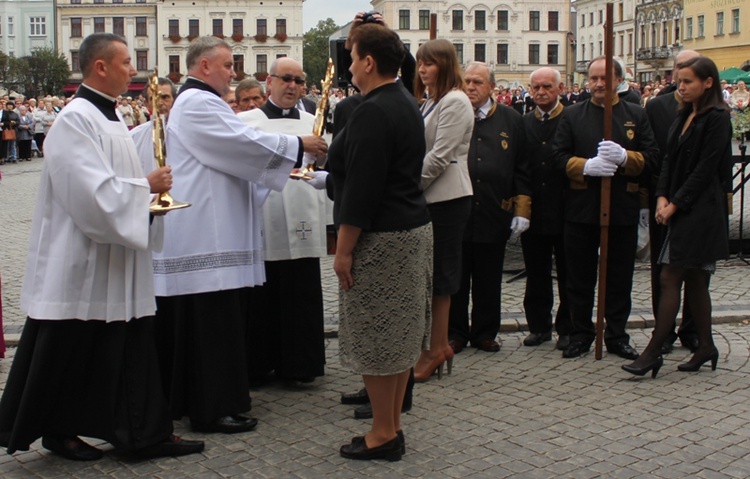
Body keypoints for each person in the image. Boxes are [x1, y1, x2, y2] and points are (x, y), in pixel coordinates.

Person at [0, 32, 204, 461]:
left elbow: (111, 184)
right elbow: (88, 191)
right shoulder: (76, 118)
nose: (133, 69)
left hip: (116, 257)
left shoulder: (110, 118)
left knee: (125, 343)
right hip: (83, 258)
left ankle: (142, 431)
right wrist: (143, 188)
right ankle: (60, 429)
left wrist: (148, 202)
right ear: (101, 67)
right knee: (72, 348)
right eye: (127, 61)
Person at [151, 36, 327, 434]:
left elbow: (238, 153)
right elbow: (241, 144)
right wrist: (298, 145)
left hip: (211, 227)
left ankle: (202, 400)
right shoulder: (198, 102)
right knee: (213, 327)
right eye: (228, 65)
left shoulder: (200, 101)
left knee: (211, 325)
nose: (234, 72)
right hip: (208, 234)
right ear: (205, 67)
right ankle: (212, 408)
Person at [322, 22, 431, 462]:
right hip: (407, 230)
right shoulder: (403, 99)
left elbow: (363, 191)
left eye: (351, 56)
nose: (349, 65)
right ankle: (390, 425)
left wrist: (343, 250)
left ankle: (384, 433)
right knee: (397, 335)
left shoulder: (373, 109)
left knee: (379, 337)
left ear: (369, 62)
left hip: (381, 239)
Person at [622, 56, 732, 378]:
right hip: (677, 203)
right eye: (678, 81)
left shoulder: (717, 118)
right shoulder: (686, 113)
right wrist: (661, 196)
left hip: (700, 209)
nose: (680, 87)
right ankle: (707, 345)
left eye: (687, 82)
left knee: (670, 276)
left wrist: (675, 204)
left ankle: (654, 350)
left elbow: (705, 170)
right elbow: (668, 158)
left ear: (707, 82)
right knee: (696, 280)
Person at [553, 56, 659, 360]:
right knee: (579, 276)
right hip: (581, 208)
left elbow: (652, 157)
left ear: (617, 80)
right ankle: (581, 333)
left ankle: (616, 334)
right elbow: (557, 158)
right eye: (593, 78)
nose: (598, 84)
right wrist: (586, 166)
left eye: (604, 78)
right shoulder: (573, 115)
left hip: (621, 208)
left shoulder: (636, 115)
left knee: (619, 276)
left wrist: (626, 158)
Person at [238, 57, 328, 385]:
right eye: (285, 79)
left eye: (298, 80)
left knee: (300, 291)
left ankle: (300, 366)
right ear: (269, 82)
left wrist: (324, 155)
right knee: (263, 293)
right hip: (265, 213)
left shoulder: (313, 120)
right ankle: (259, 365)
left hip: (304, 211)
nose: (292, 86)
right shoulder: (247, 121)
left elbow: (323, 163)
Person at [447, 62, 531, 354]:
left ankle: (485, 331)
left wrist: (522, 208)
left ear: (492, 87)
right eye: (466, 81)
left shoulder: (510, 119)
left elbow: (522, 166)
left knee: (488, 277)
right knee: (455, 277)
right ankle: (455, 332)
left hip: (494, 209)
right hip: (457, 210)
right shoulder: (453, 115)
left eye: (477, 82)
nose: (470, 87)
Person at [413, 38, 473, 381]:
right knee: (431, 275)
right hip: (431, 197)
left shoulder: (455, 101)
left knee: (441, 277)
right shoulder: (430, 102)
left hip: (448, 197)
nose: (423, 70)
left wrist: (408, 188)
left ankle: (436, 349)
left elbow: (440, 156)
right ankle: (434, 346)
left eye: (430, 64)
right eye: (421, 63)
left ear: (446, 66)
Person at [644, 50, 702, 354]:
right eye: (678, 68)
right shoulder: (657, 106)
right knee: (662, 269)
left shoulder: (712, 110)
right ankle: (663, 330)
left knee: (694, 269)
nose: (681, 75)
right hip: (664, 200)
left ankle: (692, 329)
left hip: (697, 202)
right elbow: (655, 154)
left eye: (688, 69)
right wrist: (659, 196)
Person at [520, 67, 571, 349]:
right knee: (536, 272)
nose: (540, 92)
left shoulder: (570, 118)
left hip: (565, 207)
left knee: (567, 272)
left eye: (547, 87)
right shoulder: (523, 122)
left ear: (559, 88)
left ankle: (566, 326)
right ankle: (538, 326)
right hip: (534, 209)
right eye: (535, 87)